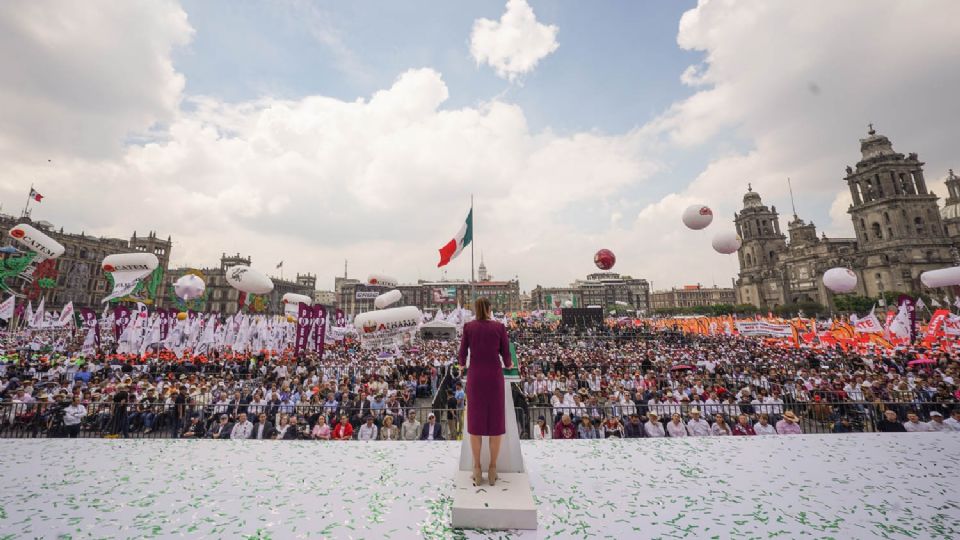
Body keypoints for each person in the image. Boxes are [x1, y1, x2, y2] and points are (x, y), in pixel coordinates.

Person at [458, 297, 512, 486]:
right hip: (494, 377)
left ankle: (477, 468)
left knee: (476, 423)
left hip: (476, 377)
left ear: (476, 309)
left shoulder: (468, 327)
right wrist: (509, 364)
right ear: (489, 309)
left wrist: (461, 364)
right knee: (495, 423)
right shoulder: (499, 327)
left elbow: (462, 353)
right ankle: (492, 468)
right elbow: (506, 354)